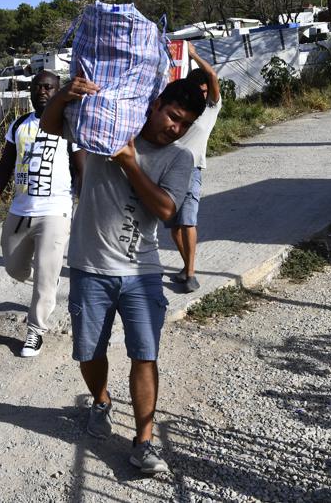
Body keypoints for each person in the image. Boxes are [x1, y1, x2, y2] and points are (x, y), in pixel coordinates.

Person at [39, 76, 206, 474]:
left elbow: (167, 210)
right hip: (89, 267)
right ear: (156, 103)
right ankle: (101, 401)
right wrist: (65, 94)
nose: (175, 128)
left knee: (145, 355)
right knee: (89, 352)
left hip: (141, 270)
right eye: (172, 116)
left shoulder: (179, 159)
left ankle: (144, 442)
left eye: (184, 125)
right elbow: (49, 125)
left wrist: (130, 162)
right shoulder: (107, 127)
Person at [0, 70, 86, 357]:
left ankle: (35, 330)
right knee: (13, 267)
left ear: (58, 92)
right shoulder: (18, 125)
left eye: (49, 88)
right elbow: (4, 165)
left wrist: (85, 205)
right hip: (20, 209)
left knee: (44, 275)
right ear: (30, 92)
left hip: (55, 211)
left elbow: (82, 169)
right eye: (38, 87)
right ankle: (46, 280)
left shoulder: (69, 126)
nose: (42, 91)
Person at [168, 42, 223, 293]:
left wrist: (193, 55)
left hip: (192, 170)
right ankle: (186, 266)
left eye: (205, 91)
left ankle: (190, 273)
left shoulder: (211, 109)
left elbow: (211, 76)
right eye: (198, 91)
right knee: (174, 227)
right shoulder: (181, 108)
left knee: (188, 221)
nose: (202, 94)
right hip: (167, 170)